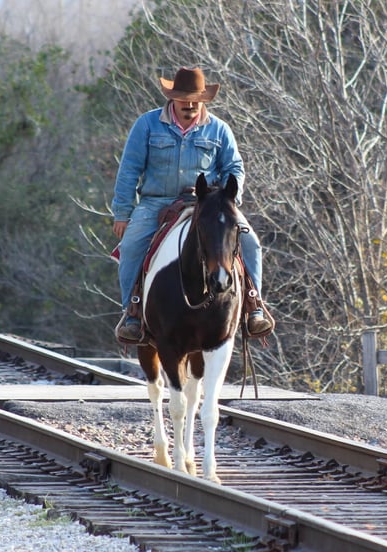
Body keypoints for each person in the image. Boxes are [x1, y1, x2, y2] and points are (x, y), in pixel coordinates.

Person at [111, 66, 273, 344]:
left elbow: (233, 166)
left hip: (207, 202)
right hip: (155, 202)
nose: (189, 105)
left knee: (251, 244)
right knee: (131, 245)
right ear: (172, 98)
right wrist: (122, 213)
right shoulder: (147, 125)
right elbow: (129, 169)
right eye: (184, 99)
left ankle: (252, 307)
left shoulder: (219, 129)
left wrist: (229, 197)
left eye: (195, 100)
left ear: (203, 100)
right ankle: (133, 312)